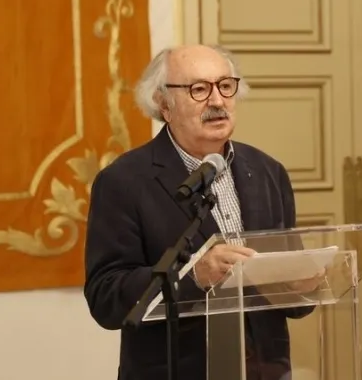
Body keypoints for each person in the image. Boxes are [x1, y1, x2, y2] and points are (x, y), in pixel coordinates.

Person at [84, 44, 316, 380]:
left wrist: (302, 286)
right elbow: (106, 298)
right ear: (164, 104)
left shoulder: (268, 171)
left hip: (265, 370)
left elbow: (289, 293)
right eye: (199, 89)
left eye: (225, 86)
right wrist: (193, 276)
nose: (217, 101)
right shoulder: (123, 182)